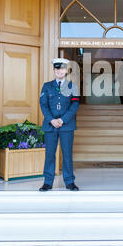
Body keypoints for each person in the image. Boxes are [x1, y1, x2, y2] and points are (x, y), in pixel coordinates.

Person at [39, 58, 80, 191]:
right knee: (50, 154)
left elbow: (75, 105)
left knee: (67, 154)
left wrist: (62, 120)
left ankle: (69, 182)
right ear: (54, 70)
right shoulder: (46, 86)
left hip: (66, 126)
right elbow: (43, 105)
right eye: (57, 69)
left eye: (62, 69)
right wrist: (51, 120)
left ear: (66, 70)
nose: (59, 71)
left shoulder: (72, 86)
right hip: (50, 125)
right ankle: (48, 182)